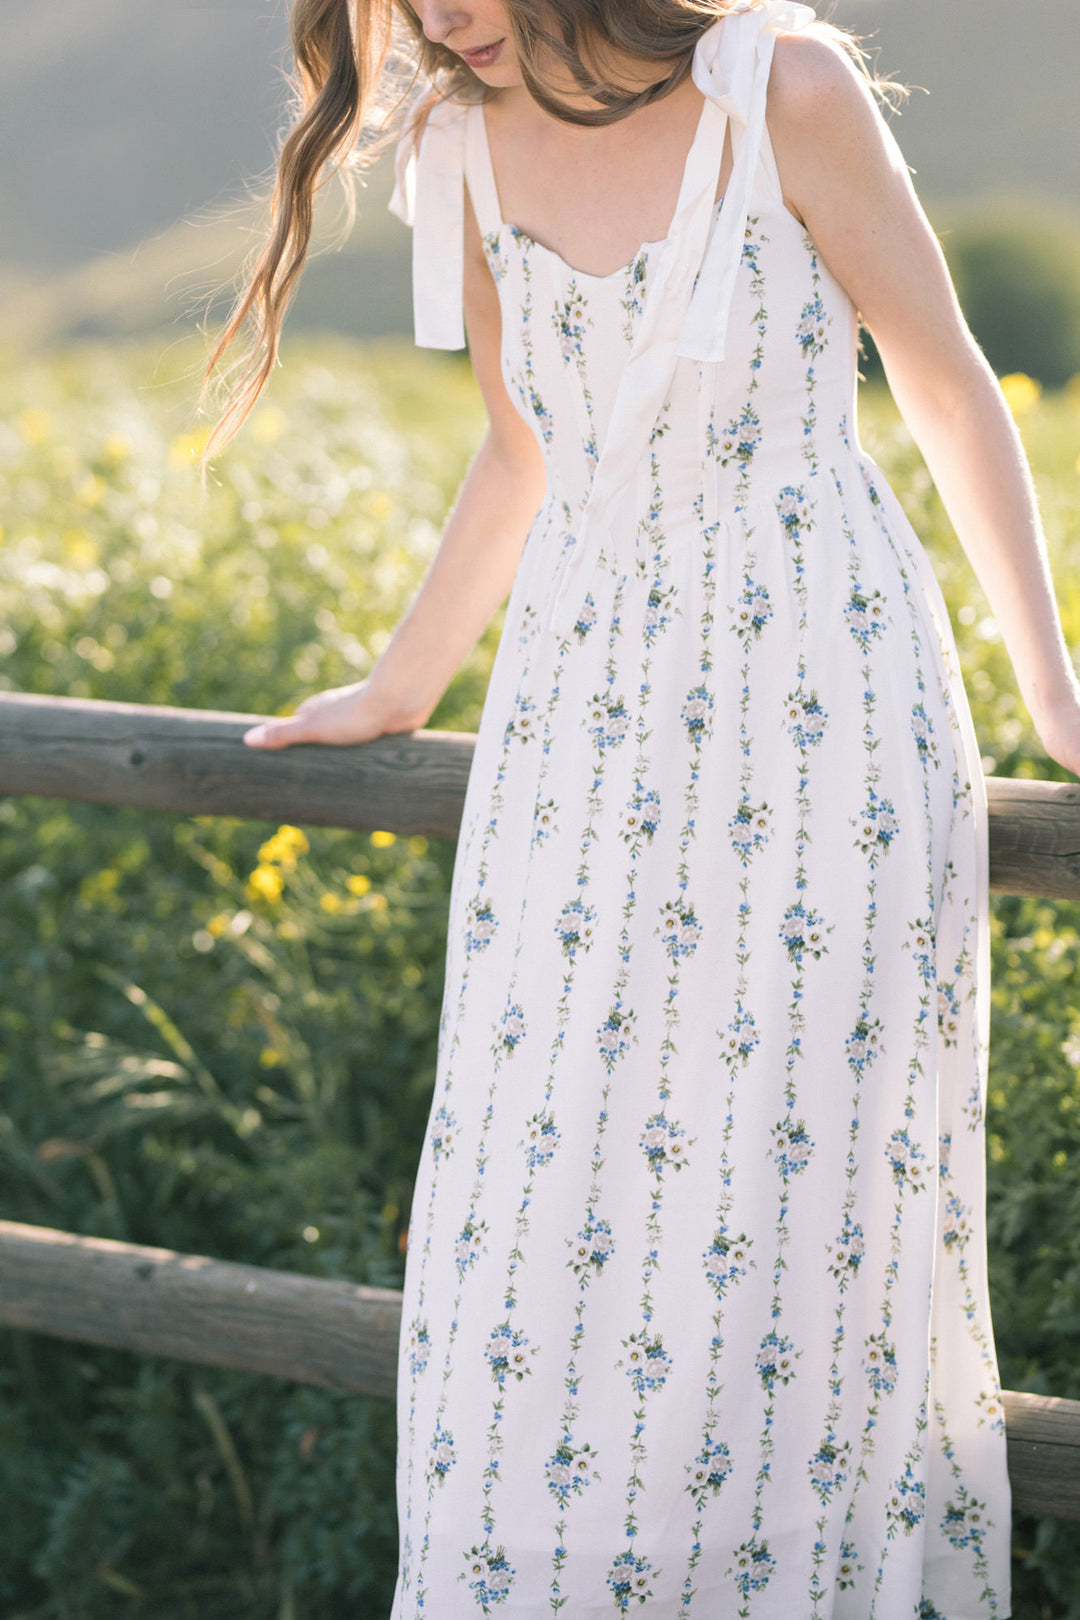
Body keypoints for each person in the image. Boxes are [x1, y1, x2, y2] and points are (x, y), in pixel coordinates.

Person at [205, 0, 1080, 1612]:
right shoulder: (456, 141)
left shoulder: (784, 86)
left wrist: (1055, 693)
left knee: (792, 1196)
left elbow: (949, 384)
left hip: (823, 714)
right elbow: (516, 450)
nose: (437, 18)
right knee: (537, 1198)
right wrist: (401, 687)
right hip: (575, 731)